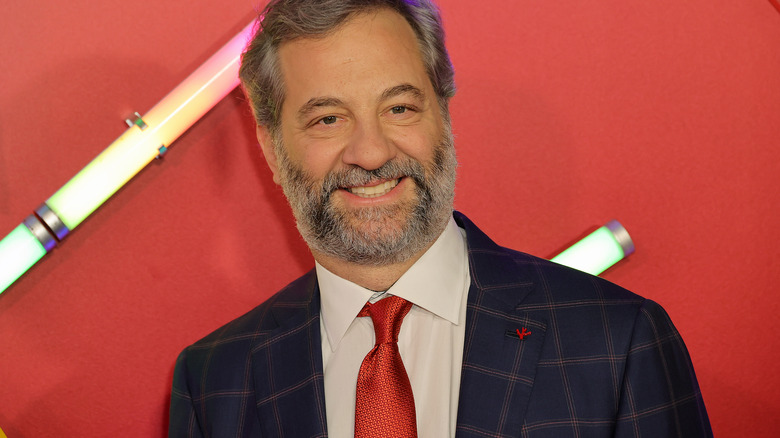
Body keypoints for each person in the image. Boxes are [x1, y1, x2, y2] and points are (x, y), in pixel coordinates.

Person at [168, 0, 712, 436]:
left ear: (444, 115)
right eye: (329, 118)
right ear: (270, 147)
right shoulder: (216, 380)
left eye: (399, 107)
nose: (372, 152)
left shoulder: (618, 341)